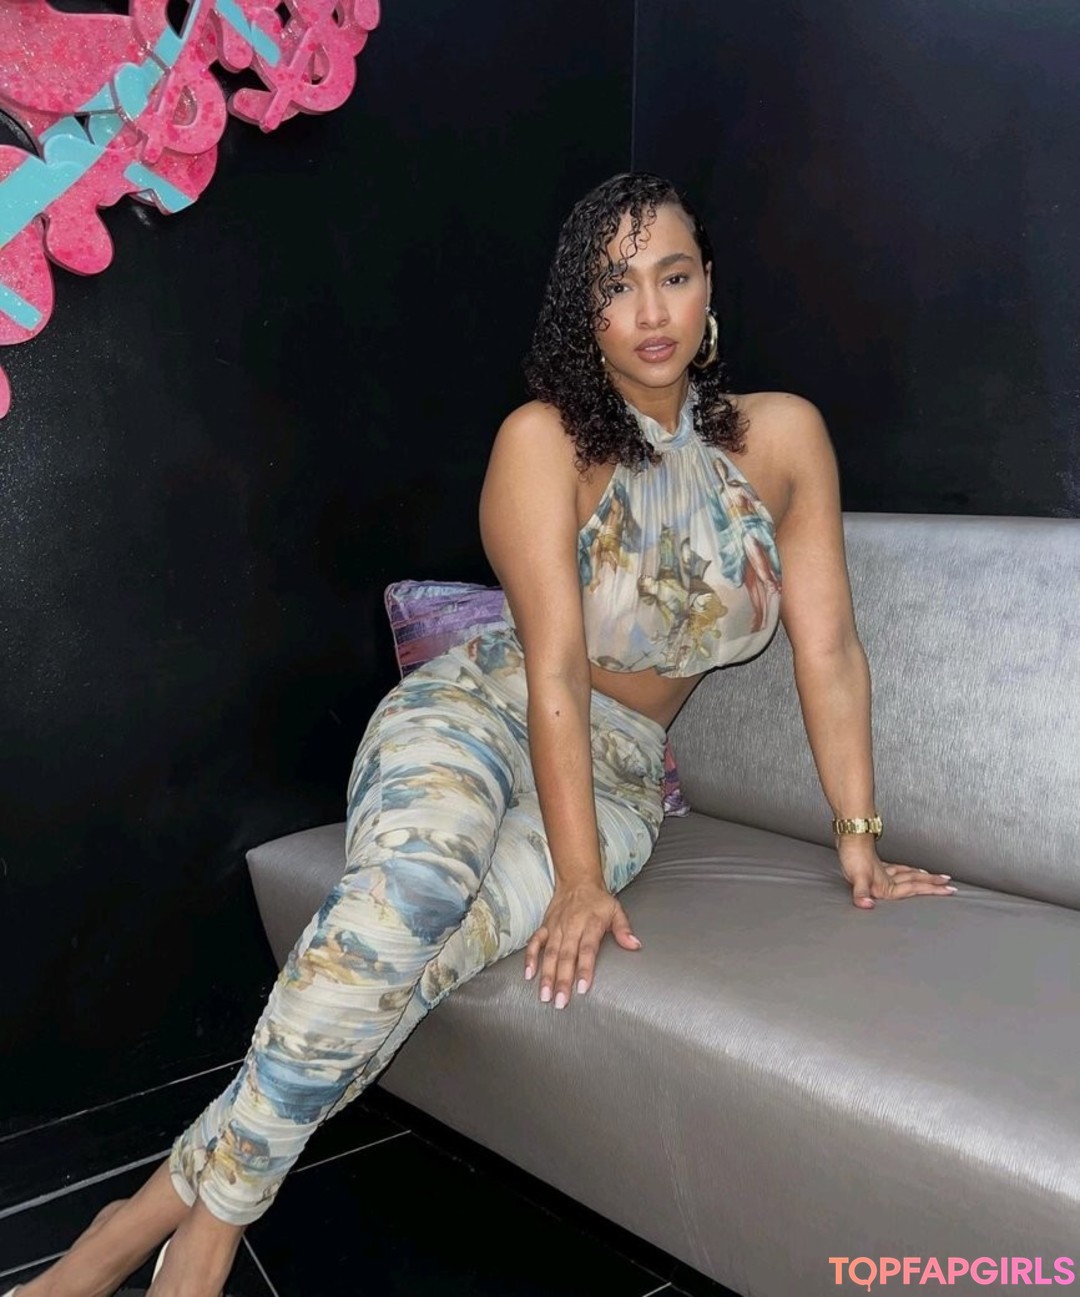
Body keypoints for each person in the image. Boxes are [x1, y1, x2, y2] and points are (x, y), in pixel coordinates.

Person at [11, 172, 955, 1297]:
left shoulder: (786, 437)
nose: (651, 311)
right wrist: (579, 882)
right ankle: (198, 1241)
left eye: (674, 276)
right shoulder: (543, 439)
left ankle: (149, 1215)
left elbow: (829, 648)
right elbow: (552, 667)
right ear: (581, 311)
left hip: (619, 771)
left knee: (420, 960)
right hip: (480, 707)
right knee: (408, 898)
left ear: (711, 286)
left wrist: (858, 837)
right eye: (616, 287)